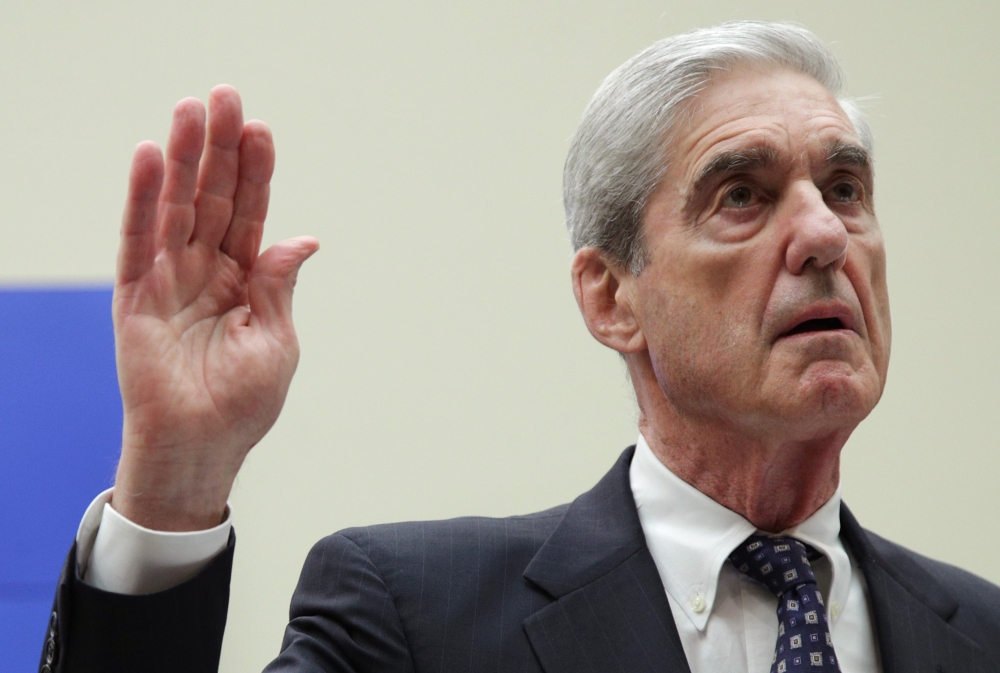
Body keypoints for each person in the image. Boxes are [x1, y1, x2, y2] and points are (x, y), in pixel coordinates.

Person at [41, 21, 1000, 673]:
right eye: (741, 195)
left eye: (844, 188)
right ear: (612, 296)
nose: (827, 236)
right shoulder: (415, 618)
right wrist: (174, 478)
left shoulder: (982, 634)